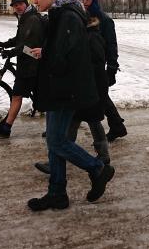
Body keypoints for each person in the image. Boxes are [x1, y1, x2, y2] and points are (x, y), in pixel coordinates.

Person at [27, 0, 115, 211]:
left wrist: (47, 60)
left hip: (66, 90)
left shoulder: (67, 16)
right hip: (60, 88)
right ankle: (57, 193)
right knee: (54, 144)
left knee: (57, 141)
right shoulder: (62, 15)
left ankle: (98, 169)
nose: (34, 0)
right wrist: (44, 52)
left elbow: (66, 58)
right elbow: (62, 49)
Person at [34, 10, 111, 173]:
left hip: (93, 87)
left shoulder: (92, 37)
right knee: (71, 125)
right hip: (81, 87)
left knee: (93, 122)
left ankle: (103, 156)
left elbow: (97, 64)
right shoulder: (82, 35)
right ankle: (55, 160)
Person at [0, 0, 45, 138]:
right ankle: (6, 128)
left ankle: (58, 128)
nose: (17, 7)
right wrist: (6, 44)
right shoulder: (25, 18)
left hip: (34, 64)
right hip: (26, 64)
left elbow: (28, 45)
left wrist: (11, 52)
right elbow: (20, 38)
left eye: (19, 4)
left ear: (25, 4)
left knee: (39, 99)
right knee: (18, 95)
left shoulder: (32, 19)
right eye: (14, 5)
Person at [77, 0, 127, 141]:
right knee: (100, 96)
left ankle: (115, 126)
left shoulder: (105, 20)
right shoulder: (81, 17)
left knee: (99, 96)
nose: (84, 2)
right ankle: (117, 125)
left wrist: (111, 68)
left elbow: (112, 45)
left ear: (94, 0)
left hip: (98, 65)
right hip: (85, 63)